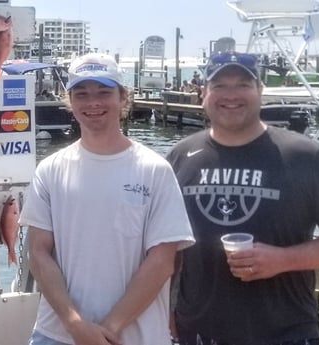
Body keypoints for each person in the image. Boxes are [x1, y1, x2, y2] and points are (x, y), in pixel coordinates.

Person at [167, 52, 319, 345]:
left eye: (243, 84)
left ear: (260, 91)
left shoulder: (304, 156)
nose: (231, 95)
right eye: (219, 86)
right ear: (204, 93)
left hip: (285, 333)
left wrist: (282, 260)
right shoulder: (181, 156)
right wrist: (167, 307)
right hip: (198, 331)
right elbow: (170, 247)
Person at [23, 53, 195, 345]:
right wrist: (75, 324)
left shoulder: (154, 170)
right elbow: (38, 253)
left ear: (123, 98)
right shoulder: (50, 169)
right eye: (82, 94)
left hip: (136, 338)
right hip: (57, 335)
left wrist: (108, 329)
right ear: (70, 101)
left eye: (104, 92)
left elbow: (163, 261)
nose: (93, 103)